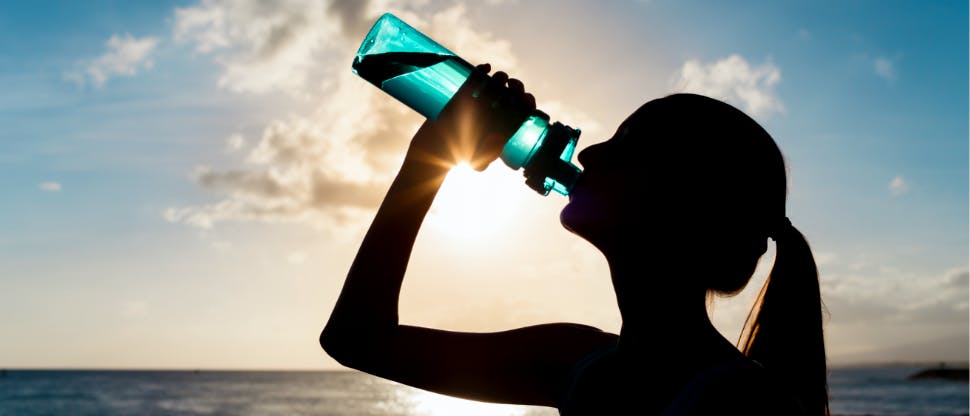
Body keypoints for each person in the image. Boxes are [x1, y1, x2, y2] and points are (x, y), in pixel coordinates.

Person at [321, 64, 830, 415]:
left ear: (687, 199)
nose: (589, 154)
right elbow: (354, 340)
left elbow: (356, 341)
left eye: (628, 144)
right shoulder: (575, 359)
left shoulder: (743, 405)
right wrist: (429, 159)